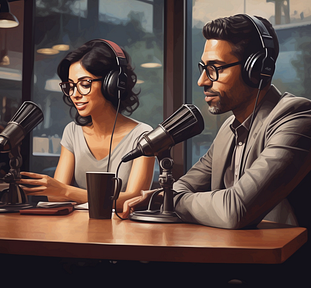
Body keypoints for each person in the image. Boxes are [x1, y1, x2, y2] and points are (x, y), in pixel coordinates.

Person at [123, 14, 311, 235]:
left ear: (258, 69)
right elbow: (183, 186)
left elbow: (235, 209)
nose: (202, 80)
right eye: (203, 67)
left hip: (282, 265)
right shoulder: (228, 129)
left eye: (215, 68)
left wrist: (169, 200)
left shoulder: (297, 118)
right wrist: (170, 196)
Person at [19, 39, 155, 212]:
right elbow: (55, 196)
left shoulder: (143, 135)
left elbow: (135, 199)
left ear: (112, 83)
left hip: (124, 234)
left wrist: (66, 191)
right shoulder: (72, 132)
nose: (74, 95)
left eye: (84, 84)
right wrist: (62, 191)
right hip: (78, 229)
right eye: (70, 86)